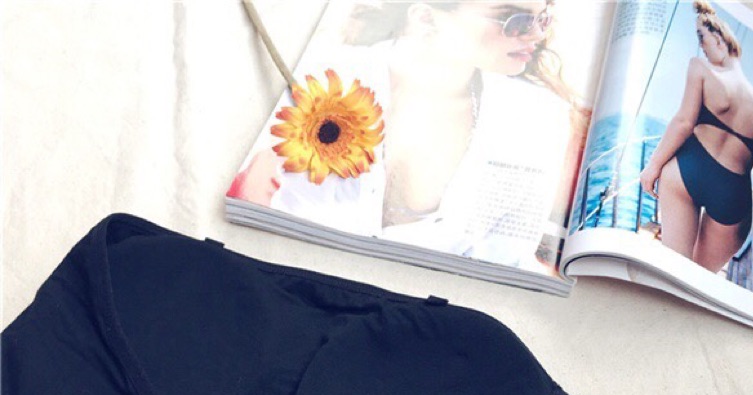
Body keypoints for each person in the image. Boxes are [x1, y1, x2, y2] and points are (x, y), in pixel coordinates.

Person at [230, 1, 577, 273]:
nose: (535, 35)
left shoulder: (538, 119)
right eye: (513, 20)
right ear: (426, 17)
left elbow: (506, 260)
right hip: (281, 270)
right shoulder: (320, 74)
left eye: (543, 18)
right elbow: (250, 194)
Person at [639, 0, 753, 273]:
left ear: (719, 38)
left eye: (701, 38)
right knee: (698, 279)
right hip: (732, 193)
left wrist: (653, 166)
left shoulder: (701, 68)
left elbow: (683, 122)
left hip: (686, 172)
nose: (701, 46)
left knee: (675, 272)